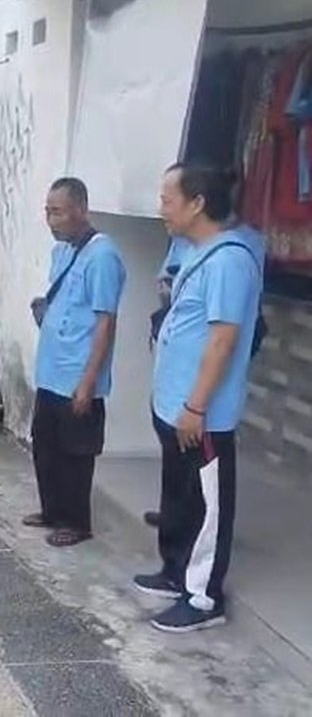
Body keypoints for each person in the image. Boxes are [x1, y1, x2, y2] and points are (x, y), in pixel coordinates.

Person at [134, 164, 263, 633]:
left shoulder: (230, 260)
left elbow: (223, 341)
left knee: (208, 504)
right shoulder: (199, 252)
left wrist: (196, 407)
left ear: (197, 203)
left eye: (168, 199)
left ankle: (204, 598)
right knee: (181, 495)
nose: (161, 209)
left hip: (202, 413)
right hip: (175, 407)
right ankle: (175, 571)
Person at [25, 178, 126, 547]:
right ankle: (52, 510)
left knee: (75, 453)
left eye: (58, 212)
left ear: (81, 209)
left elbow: (105, 321)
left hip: (77, 376)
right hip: (51, 371)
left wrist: (89, 381)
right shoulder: (63, 251)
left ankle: (76, 522)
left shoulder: (102, 256)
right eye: (47, 211)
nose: (51, 220)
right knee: (45, 446)